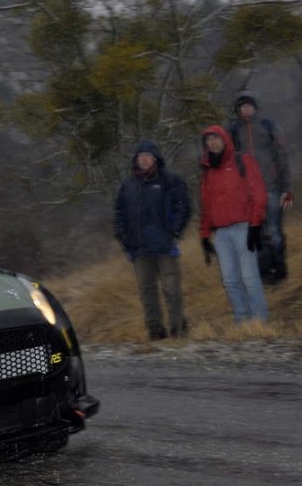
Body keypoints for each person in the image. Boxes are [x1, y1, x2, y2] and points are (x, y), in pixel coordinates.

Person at [114, 139, 192, 340]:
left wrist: (175, 231)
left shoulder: (169, 180)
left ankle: (178, 329)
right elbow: (119, 213)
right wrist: (122, 236)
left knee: (171, 289)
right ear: (136, 160)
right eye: (141, 156)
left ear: (156, 158)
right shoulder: (128, 185)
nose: (145, 159)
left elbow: (183, 206)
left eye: (149, 155)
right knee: (147, 293)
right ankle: (155, 331)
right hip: (139, 248)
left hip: (165, 246)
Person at [198, 124, 269, 323]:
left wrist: (255, 225)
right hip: (221, 234)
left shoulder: (242, 160)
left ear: (224, 140)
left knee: (250, 279)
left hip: (243, 228)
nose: (212, 142)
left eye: (216, 138)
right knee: (230, 281)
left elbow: (259, 194)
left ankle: (259, 323)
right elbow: (206, 204)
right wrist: (204, 235)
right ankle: (242, 322)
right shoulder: (208, 170)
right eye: (208, 140)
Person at [227, 91, 293, 284]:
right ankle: (265, 275)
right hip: (247, 193)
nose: (246, 109)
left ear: (255, 107)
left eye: (249, 106)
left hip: (272, 188)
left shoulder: (268, 125)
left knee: (273, 232)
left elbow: (283, 157)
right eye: (242, 107)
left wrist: (287, 188)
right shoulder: (232, 131)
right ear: (238, 110)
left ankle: (280, 270)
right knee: (257, 233)